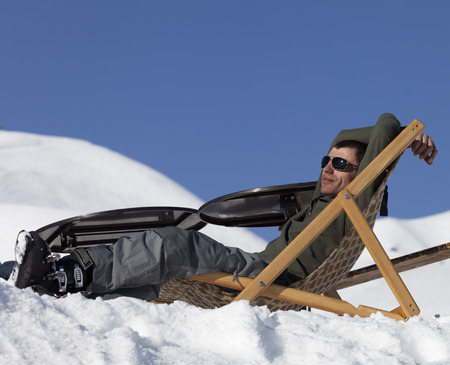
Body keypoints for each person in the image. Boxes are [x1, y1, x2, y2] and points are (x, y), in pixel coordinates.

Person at [5, 113, 437, 301]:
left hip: (271, 276)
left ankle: (67, 271)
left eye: (341, 164)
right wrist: (351, 148)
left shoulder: (350, 203)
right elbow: (346, 132)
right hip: (259, 268)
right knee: (158, 275)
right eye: (326, 159)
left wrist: (404, 134)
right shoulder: (322, 202)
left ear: (361, 175)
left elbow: (380, 125)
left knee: (177, 245)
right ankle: (55, 280)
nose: (327, 167)